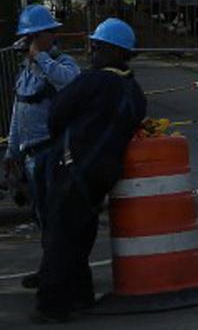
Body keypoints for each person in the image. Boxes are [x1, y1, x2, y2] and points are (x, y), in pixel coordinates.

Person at [33, 18, 145, 323]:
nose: (92, 52)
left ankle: (53, 303)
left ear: (114, 51)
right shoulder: (135, 92)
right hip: (103, 175)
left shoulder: (93, 81)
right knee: (81, 233)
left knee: (60, 235)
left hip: (73, 168)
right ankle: (81, 294)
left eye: (97, 47)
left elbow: (57, 114)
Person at [5, 6, 80, 234]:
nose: (30, 42)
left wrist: (42, 58)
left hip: (53, 152)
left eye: (36, 36)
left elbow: (70, 81)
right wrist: (11, 151)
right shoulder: (26, 70)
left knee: (58, 216)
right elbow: (19, 111)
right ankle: (52, 263)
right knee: (42, 216)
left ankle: (60, 263)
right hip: (30, 157)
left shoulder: (62, 63)